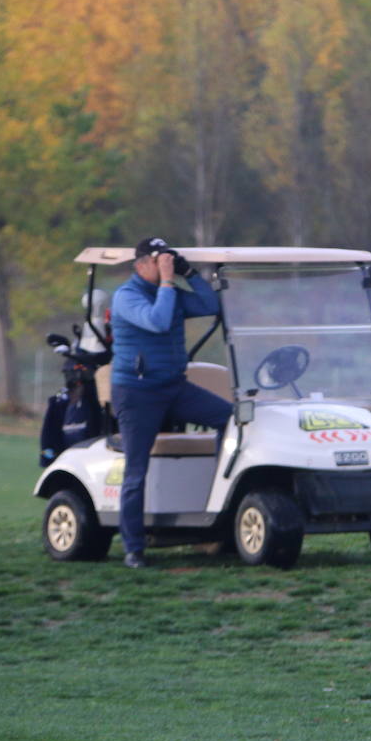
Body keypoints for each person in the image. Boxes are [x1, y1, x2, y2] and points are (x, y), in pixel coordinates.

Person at [110, 236, 232, 568]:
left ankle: (218, 505)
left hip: (174, 387)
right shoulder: (126, 296)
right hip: (137, 394)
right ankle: (134, 548)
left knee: (231, 419)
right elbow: (158, 320)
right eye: (157, 259)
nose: (164, 264)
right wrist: (167, 281)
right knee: (136, 472)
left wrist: (189, 273)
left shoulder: (172, 293)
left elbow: (211, 306)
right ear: (140, 265)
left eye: (166, 259)